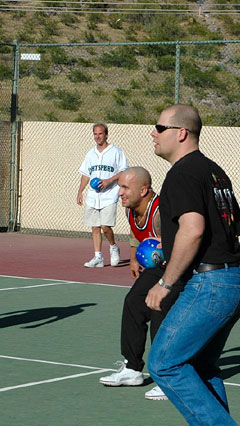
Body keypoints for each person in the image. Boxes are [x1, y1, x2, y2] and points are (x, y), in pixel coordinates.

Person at [145, 105, 240, 426]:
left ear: (181, 133)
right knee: (202, 366)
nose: (153, 133)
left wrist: (165, 283)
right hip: (233, 281)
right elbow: (237, 225)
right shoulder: (215, 172)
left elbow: (192, 230)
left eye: (159, 127)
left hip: (211, 284)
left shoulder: (182, 173)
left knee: (164, 363)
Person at [98, 167, 183, 401]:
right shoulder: (131, 209)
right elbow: (136, 235)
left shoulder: (160, 212)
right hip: (160, 267)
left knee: (159, 309)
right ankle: (132, 368)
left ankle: (167, 378)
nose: (120, 193)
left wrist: (164, 244)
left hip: (180, 268)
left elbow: (183, 243)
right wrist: (134, 258)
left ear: (144, 190)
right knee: (134, 303)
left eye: (125, 188)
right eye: (119, 187)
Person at [76, 123, 129, 268]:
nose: (97, 136)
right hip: (93, 196)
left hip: (109, 195)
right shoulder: (90, 153)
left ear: (106, 134)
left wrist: (109, 181)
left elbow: (124, 171)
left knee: (105, 226)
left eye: (100, 133)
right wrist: (80, 191)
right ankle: (98, 257)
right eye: (95, 134)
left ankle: (113, 246)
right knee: (94, 227)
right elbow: (86, 174)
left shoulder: (116, 152)